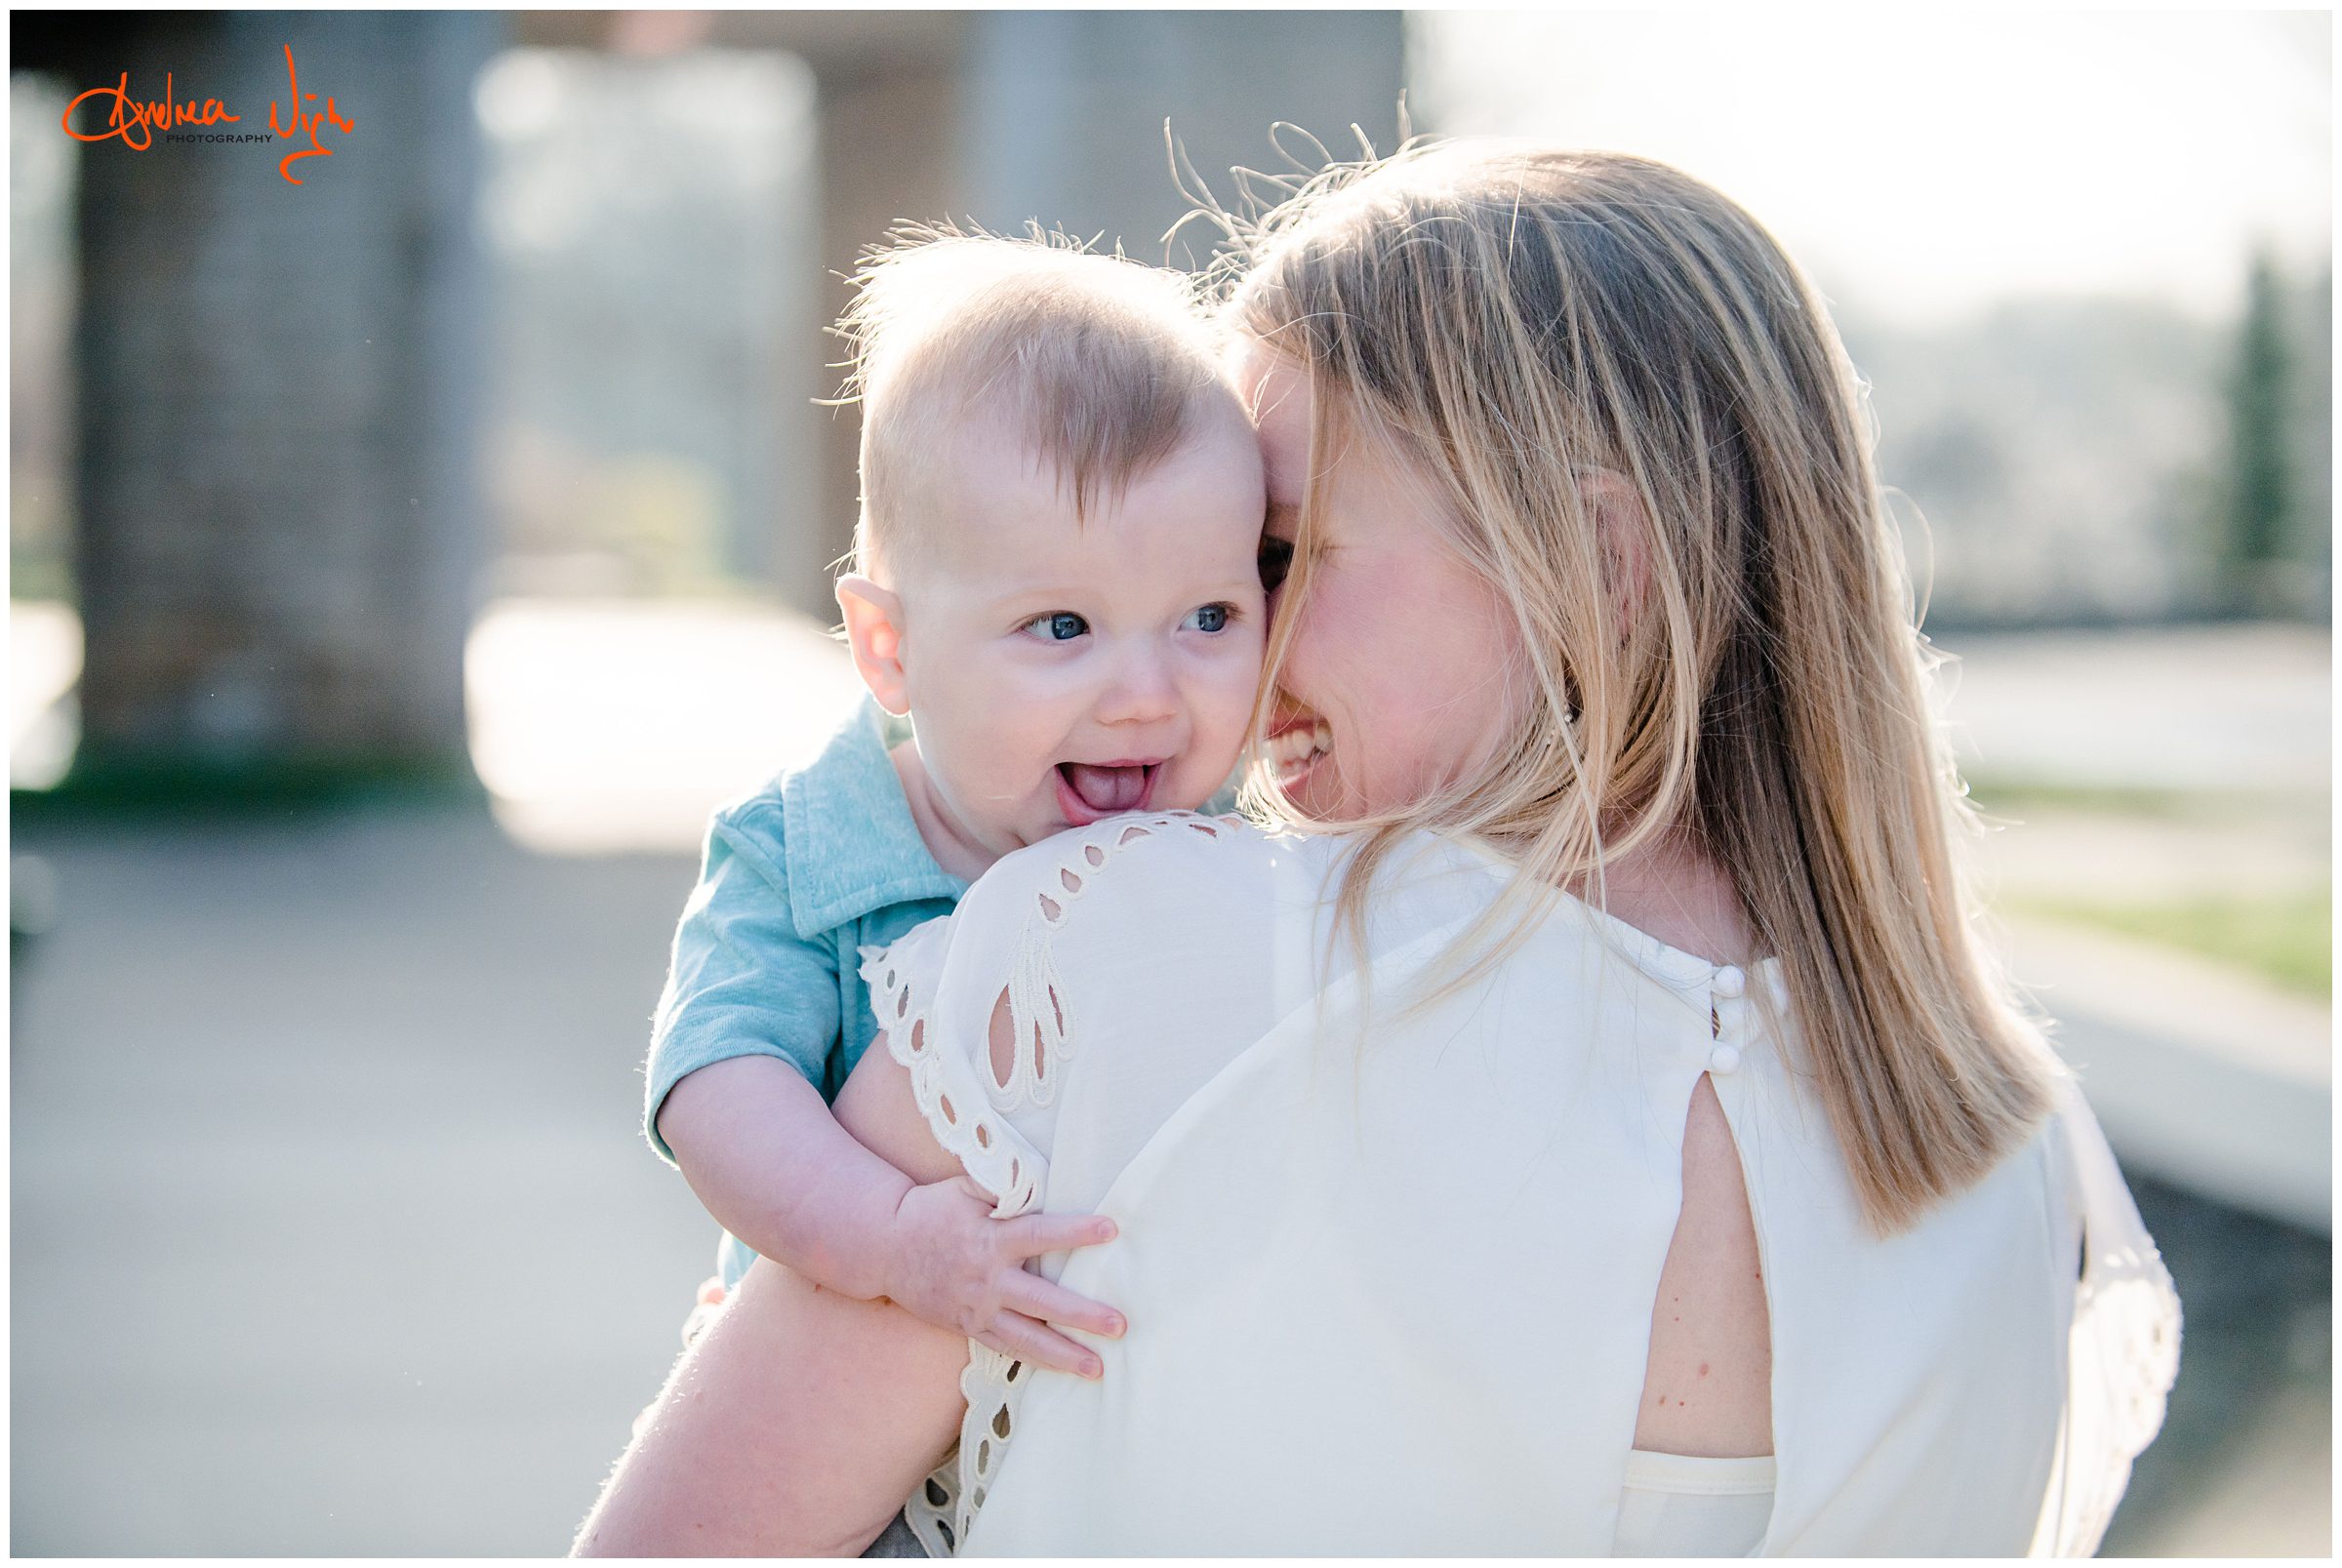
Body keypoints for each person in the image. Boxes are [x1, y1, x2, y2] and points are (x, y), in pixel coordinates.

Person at [576, 141, 2179, 1557]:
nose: (1233, 652)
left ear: (1594, 563)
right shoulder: (2026, 1176)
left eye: (1279, 555)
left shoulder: (1114, 958)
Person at [636, 228, 1269, 1410]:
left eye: (1211, 615)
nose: (1148, 693)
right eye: (1065, 627)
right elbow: (716, 1086)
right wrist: (885, 1236)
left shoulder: (1241, 849)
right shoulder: (804, 850)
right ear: (894, 647)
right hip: (868, 1412)